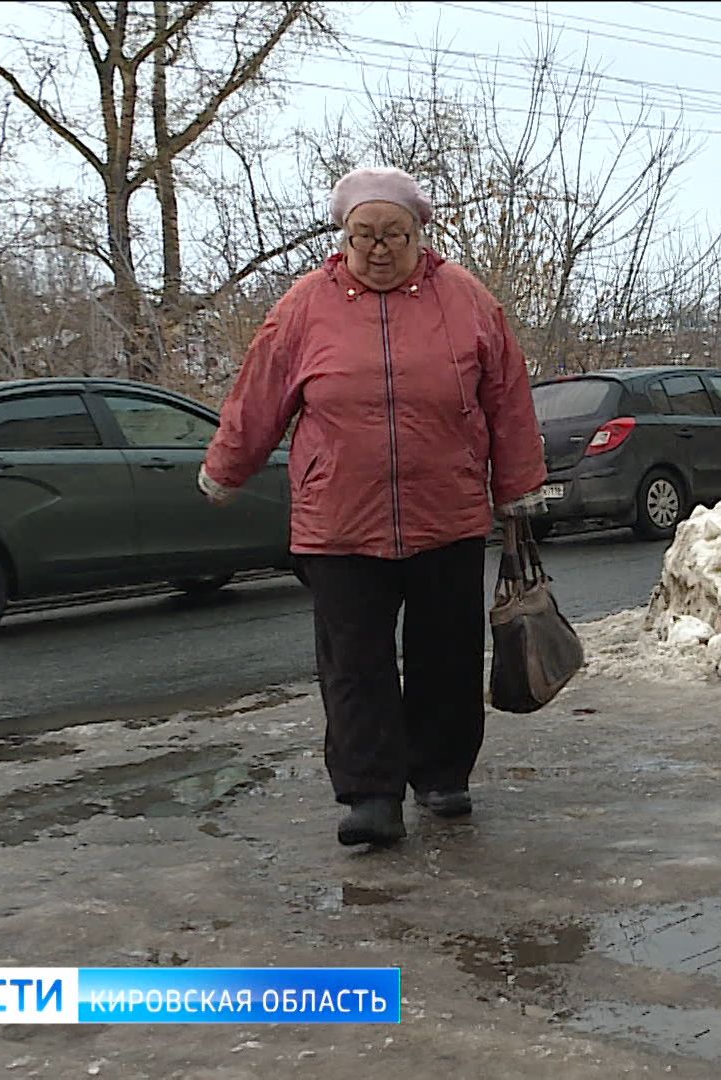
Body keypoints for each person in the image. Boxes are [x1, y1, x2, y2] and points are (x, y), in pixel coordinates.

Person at [199, 167, 548, 847]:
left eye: (394, 234)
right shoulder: (305, 306)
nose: (379, 248)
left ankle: (442, 775)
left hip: (445, 511)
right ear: (344, 235)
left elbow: (507, 398)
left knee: (446, 653)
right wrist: (226, 468)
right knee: (355, 664)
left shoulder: (465, 299)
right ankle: (371, 795)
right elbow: (259, 396)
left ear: (420, 234)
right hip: (338, 520)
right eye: (364, 235)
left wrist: (517, 487)